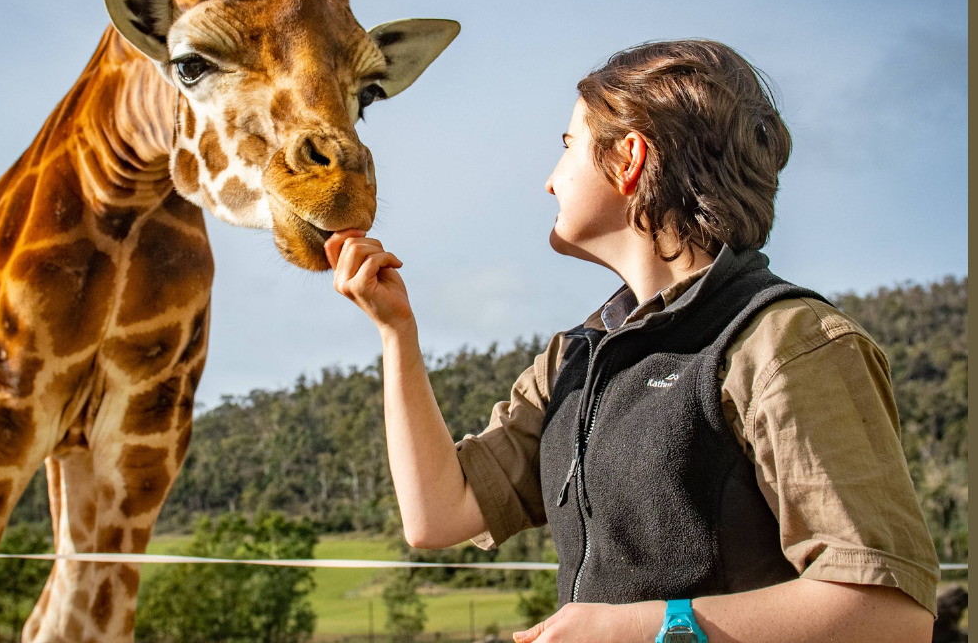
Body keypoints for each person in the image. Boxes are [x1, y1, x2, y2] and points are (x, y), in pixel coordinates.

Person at [325, 40, 939, 643]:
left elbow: (889, 614)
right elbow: (438, 513)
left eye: (567, 147)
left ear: (629, 159)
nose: (549, 181)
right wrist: (396, 333)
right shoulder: (576, 358)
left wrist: (646, 627)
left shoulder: (788, 342)